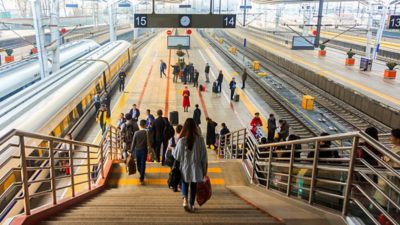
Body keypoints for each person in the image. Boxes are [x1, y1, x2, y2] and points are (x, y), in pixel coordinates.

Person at [173, 118, 208, 212]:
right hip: (196, 167)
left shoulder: (181, 140)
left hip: (184, 166)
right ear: (195, 127)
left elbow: (176, 156)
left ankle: (184, 200)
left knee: (184, 182)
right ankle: (191, 205)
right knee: (193, 185)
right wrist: (204, 170)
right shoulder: (200, 140)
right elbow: (204, 157)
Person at [130, 120, 149, 185]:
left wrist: (131, 151)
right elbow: (150, 142)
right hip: (144, 150)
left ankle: (141, 172)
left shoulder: (136, 133)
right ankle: (142, 177)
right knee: (143, 163)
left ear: (140, 125)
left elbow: (133, 143)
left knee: (138, 162)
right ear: (145, 125)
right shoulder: (147, 132)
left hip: (137, 150)